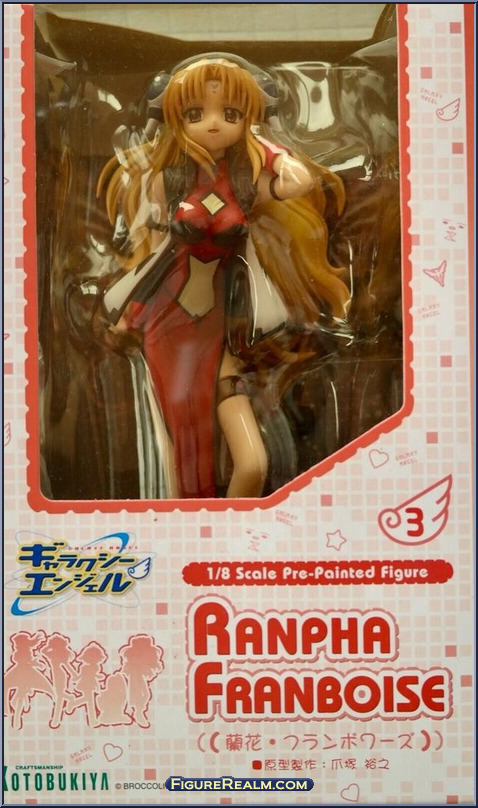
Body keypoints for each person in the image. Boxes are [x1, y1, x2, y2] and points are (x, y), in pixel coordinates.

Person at [98, 54, 350, 499]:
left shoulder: (246, 184)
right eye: (195, 114)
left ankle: (231, 526)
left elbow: (299, 182)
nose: (213, 124)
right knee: (176, 449)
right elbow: (154, 255)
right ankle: (186, 524)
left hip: (222, 325)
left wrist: (266, 145)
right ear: (176, 119)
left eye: (230, 113)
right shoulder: (169, 180)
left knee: (253, 463)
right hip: (168, 320)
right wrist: (127, 316)